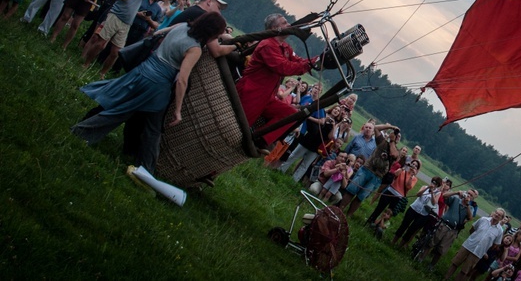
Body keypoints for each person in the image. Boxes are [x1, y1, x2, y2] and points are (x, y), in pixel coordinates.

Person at [71, 12, 227, 173]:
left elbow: (159, 33)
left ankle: (145, 167)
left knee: (137, 119)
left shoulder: (182, 26)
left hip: (143, 70)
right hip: (157, 86)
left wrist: (231, 42)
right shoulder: (194, 49)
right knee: (134, 120)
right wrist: (178, 110)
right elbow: (182, 80)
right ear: (211, 32)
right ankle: (144, 168)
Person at [235, 13, 319, 149]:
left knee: (290, 115)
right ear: (275, 27)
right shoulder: (267, 45)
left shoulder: (285, 47)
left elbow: (299, 62)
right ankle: (237, 147)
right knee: (238, 128)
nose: (289, 25)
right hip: (252, 93)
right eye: (285, 22)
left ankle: (260, 141)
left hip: (267, 97)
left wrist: (317, 60)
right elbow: (283, 67)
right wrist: (310, 64)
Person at [81, 0, 161, 78]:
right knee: (100, 44)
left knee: (115, 53)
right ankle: (86, 63)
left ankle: (102, 73)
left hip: (126, 24)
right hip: (115, 16)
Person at [338, 124, 400, 217]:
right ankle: (339, 211)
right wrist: (390, 127)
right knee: (351, 191)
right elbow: (376, 128)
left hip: (377, 177)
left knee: (360, 197)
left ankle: (348, 216)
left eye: (398, 136)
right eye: (395, 135)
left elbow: (393, 155)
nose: (396, 137)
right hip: (366, 169)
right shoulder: (382, 142)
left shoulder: (397, 152)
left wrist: (392, 141)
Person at [418, 189, 477, 270]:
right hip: (444, 224)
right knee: (431, 242)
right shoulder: (456, 199)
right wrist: (456, 192)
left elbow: (470, 217)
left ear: (472, 199)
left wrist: (467, 205)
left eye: (471, 195)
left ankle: (431, 266)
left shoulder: (470, 208)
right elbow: (444, 196)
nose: (468, 196)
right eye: (468, 193)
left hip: (453, 230)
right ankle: (420, 259)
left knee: (441, 250)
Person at [444, 208, 508, 281]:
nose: (496, 215)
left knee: (465, 270)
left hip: (478, 252)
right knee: (455, 262)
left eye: (499, 215)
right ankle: (446, 278)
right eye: (496, 213)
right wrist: (474, 239)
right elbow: (472, 229)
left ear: (501, 218)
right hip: (468, 245)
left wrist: (485, 248)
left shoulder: (499, 231)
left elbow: (495, 244)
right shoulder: (483, 219)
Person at [366, 158, 420, 224]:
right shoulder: (403, 171)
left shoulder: (414, 179)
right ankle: (370, 220)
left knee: (389, 213)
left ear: (417, 169)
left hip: (398, 197)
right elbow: (395, 174)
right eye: (413, 164)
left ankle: (379, 225)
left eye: (415, 166)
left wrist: (411, 176)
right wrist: (404, 168)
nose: (413, 166)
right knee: (379, 208)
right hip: (390, 191)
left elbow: (408, 186)